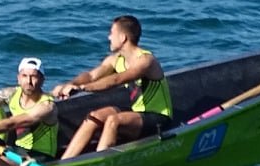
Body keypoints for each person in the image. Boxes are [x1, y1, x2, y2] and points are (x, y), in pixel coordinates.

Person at [55, 15, 175, 156]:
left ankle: (99, 164)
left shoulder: (146, 60)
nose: (108, 37)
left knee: (114, 120)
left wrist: (82, 88)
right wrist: (70, 84)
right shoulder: (115, 60)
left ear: (123, 37)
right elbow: (91, 76)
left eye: (111, 33)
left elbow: (118, 79)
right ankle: (65, 162)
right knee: (94, 117)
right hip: (136, 114)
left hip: (158, 118)